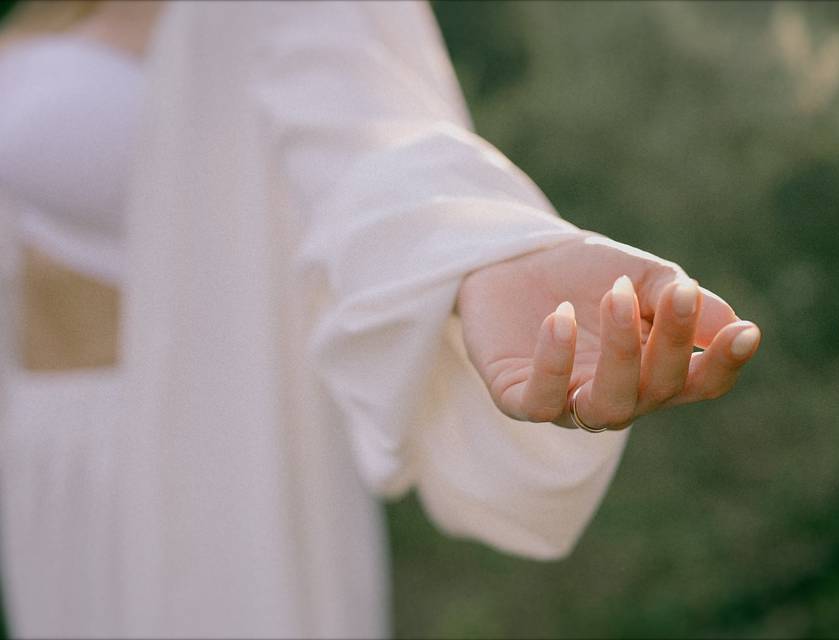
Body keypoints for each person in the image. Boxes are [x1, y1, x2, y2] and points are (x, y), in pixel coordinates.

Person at [0, 1, 761, 637]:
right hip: (45, 453)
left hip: (195, 475)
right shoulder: (50, 13)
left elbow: (371, 136)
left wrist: (478, 249)